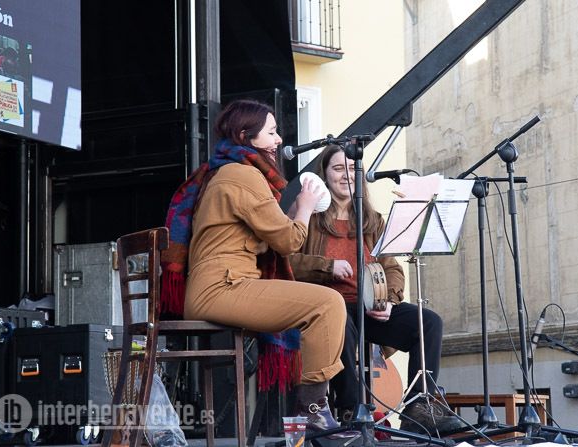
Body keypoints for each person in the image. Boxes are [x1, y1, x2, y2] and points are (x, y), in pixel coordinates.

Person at [169, 99, 347, 432]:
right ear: (245, 135)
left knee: (326, 305)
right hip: (222, 287)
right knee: (328, 304)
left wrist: (294, 212)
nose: (279, 140)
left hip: (218, 285)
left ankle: (312, 411)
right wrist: (306, 207)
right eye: (271, 132)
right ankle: (312, 410)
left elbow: (274, 235)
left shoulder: (225, 171)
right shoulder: (243, 175)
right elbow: (289, 242)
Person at [288, 144, 463, 435]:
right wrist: (327, 267)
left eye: (352, 169)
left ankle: (418, 407)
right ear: (324, 174)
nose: (346, 175)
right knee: (340, 319)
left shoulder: (373, 221)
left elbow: (392, 268)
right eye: (338, 168)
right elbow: (288, 262)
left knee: (428, 322)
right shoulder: (310, 217)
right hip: (326, 309)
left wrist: (389, 301)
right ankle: (351, 409)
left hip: (369, 308)